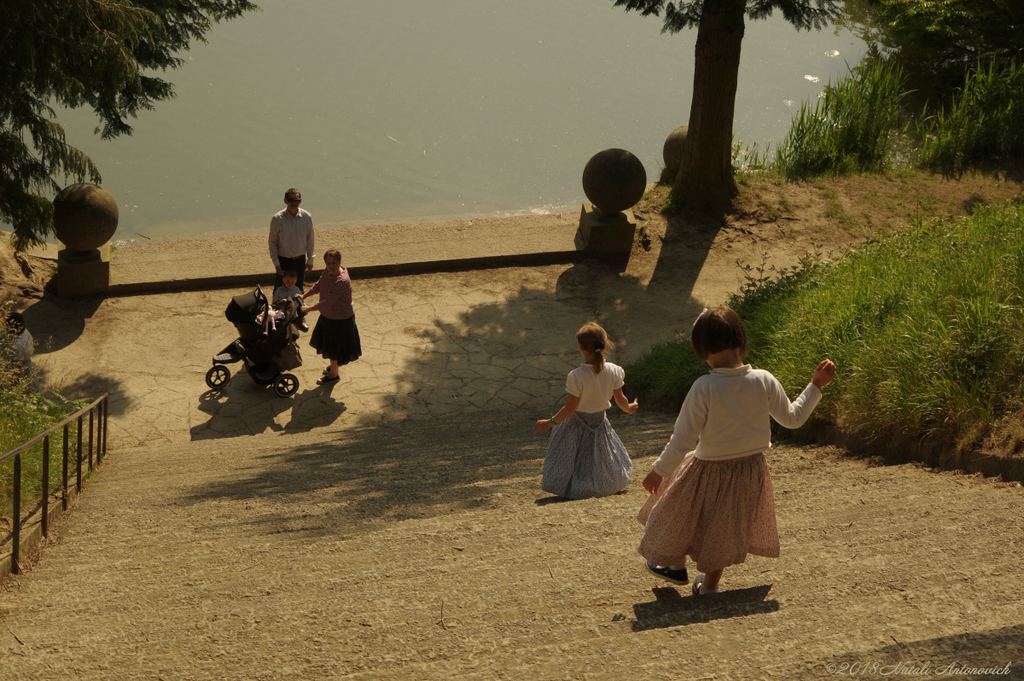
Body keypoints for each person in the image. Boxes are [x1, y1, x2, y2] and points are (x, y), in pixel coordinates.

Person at [637, 307, 836, 595]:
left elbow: (683, 439)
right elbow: (793, 418)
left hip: (707, 470)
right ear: (741, 342)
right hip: (749, 469)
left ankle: (674, 563)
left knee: (674, 513)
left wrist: (659, 471)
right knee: (723, 530)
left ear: (701, 349)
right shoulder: (763, 379)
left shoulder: (704, 386)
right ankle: (709, 587)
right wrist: (815, 385)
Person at [535, 321, 639, 499]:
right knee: (600, 458)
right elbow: (621, 400)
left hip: (576, 424)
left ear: (581, 348)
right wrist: (630, 408)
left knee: (572, 458)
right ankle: (604, 483)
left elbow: (570, 408)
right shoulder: (614, 371)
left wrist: (549, 422)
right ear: (604, 345)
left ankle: (574, 487)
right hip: (600, 423)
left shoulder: (576, 376)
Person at [301, 249, 361, 385]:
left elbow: (328, 302)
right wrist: (304, 296)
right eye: (328, 263)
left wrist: (308, 308)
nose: (331, 266)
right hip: (328, 317)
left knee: (334, 348)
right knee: (330, 347)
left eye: (334, 263)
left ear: (340, 262)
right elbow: (319, 285)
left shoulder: (342, 281)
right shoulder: (327, 271)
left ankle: (334, 375)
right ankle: (334, 367)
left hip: (341, 320)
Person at [269, 187, 314, 293]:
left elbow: (310, 239)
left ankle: (297, 309)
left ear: (300, 201)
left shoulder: (307, 217)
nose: (294, 203)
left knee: (298, 290)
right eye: (290, 200)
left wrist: (310, 259)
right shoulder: (277, 219)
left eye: (296, 200)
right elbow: (272, 242)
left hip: (300, 260)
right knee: (279, 290)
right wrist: (276, 263)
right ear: (285, 201)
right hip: (284, 261)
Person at [4, 311, 38, 390]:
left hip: (23, 369)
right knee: (34, 388)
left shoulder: (17, 346)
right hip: (28, 363)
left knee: (28, 391)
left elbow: (18, 367)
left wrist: (19, 383)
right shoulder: (25, 331)